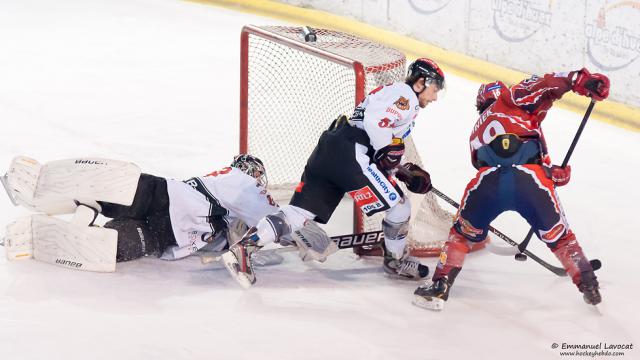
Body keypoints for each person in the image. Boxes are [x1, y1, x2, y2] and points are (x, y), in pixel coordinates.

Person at [222, 58, 446, 288]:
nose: (435, 96)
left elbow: (381, 137)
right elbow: (376, 124)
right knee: (400, 207)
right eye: (434, 89)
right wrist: (388, 155)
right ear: (420, 82)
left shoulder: (396, 94)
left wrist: (401, 168)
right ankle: (396, 260)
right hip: (352, 153)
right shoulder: (405, 96)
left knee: (299, 212)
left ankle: (244, 248)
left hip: (332, 149)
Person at [413, 68, 610, 310]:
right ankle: (588, 283)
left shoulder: (475, 133)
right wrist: (579, 80)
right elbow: (544, 86)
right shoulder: (512, 98)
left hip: (487, 184)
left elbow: (488, 160)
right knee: (561, 239)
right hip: (531, 180)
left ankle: (439, 286)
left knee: (460, 236)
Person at [2, 154, 280, 265]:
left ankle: (51, 193)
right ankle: (54, 222)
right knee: (122, 241)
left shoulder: (221, 183)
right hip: (168, 224)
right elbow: (278, 222)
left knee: (106, 205)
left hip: (161, 202)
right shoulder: (245, 184)